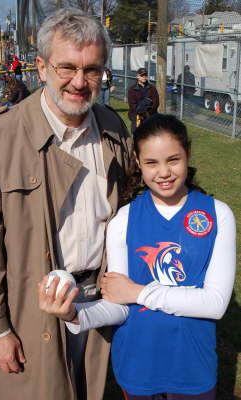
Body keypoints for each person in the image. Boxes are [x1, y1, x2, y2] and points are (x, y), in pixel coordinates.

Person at [0, 8, 131, 400]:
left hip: (102, 307)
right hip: (29, 314)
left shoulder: (114, 130)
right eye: (66, 68)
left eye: (92, 70)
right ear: (41, 68)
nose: (79, 82)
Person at [39, 114, 236, 400]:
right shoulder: (124, 219)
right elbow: (119, 306)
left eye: (173, 160)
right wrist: (73, 313)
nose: (164, 172)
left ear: (188, 154)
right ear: (137, 161)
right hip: (137, 366)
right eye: (151, 163)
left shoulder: (218, 214)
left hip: (192, 367)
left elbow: (215, 304)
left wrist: (139, 292)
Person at [128, 67, 159, 133]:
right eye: (142, 75)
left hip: (150, 115)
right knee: (137, 134)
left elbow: (156, 103)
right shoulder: (132, 89)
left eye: (145, 75)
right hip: (137, 116)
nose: (144, 77)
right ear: (137, 76)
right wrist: (141, 112)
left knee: (150, 135)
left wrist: (148, 113)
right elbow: (132, 105)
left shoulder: (152, 88)